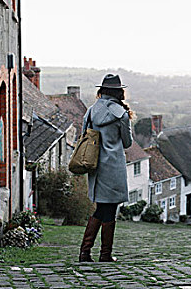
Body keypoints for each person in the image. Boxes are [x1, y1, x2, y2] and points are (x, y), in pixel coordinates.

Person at [79, 74, 133, 262]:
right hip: (113, 166)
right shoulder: (121, 114)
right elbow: (127, 142)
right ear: (119, 92)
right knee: (107, 208)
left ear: (102, 90)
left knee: (103, 207)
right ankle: (102, 254)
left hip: (95, 164)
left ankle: (88, 253)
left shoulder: (91, 111)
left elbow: (84, 135)